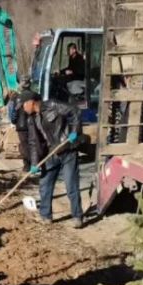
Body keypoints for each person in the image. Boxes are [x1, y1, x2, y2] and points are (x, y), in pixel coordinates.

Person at [19, 89, 83, 228]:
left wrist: (74, 132)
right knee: (45, 185)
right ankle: (46, 216)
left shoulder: (52, 105)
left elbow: (76, 112)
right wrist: (34, 163)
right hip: (51, 154)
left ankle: (77, 216)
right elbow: (33, 142)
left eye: (24, 104)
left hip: (67, 151)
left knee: (71, 185)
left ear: (31, 102)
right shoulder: (32, 119)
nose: (23, 108)